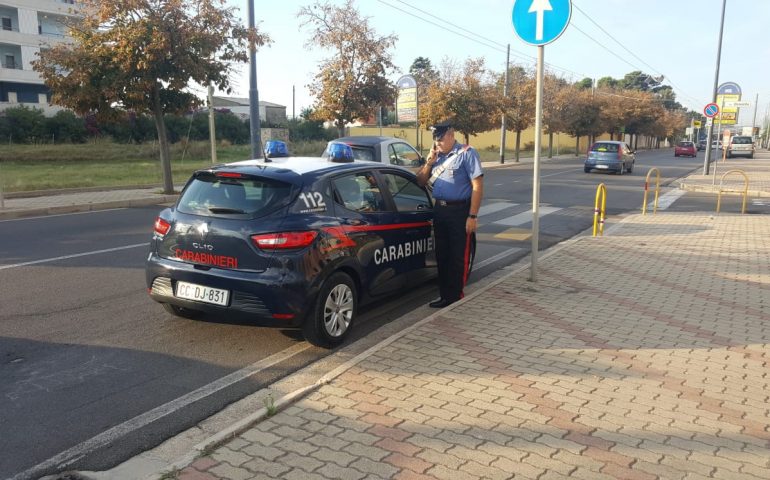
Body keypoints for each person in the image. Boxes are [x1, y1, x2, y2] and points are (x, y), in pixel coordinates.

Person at [416, 120, 484, 308]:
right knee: (442, 255)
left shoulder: (467, 154)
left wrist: (472, 216)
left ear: (451, 135)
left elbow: (477, 186)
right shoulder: (435, 157)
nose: (437, 143)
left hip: (459, 211)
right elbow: (421, 181)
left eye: (440, 139)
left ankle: (455, 296)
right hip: (440, 210)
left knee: (457, 256)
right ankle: (445, 295)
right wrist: (429, 162)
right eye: (435, 140)